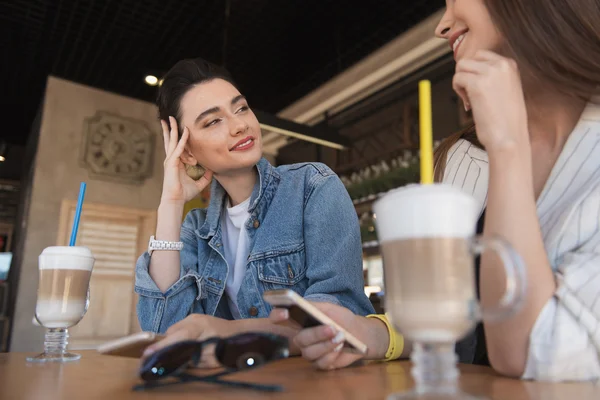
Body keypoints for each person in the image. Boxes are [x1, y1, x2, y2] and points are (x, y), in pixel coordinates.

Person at [273, 0, 600, 381]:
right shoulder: (465, 155)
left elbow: (530, 350)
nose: (441, 27)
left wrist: (508, 146)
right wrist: (372, 334)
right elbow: (445, 315)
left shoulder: (516, 144)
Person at [134, 57, 374, 358]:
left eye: (241, 108)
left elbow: (334, 320)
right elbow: (165, 329)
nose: (239, 125)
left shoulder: (313, 187)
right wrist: (170, 203)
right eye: (213, 121)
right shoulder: (197, 229)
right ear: (188, 152)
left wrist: (227, 332)